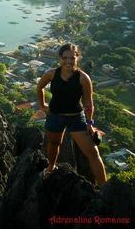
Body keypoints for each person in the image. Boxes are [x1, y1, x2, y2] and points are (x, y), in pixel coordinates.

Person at [37, 43, 107, 185]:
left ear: (77, 59)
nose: (68, 61)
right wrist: (43, 106)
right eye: (65, 58)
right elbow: (39, 87)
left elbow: (88, 103)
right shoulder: (51, 74)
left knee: (93, 153)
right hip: (55, 116)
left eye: (72, 58)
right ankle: (51, 168)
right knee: (54, 144)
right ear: (59, 58)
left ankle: (105, 189)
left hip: (76, 118)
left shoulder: (83, 78)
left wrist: (90, 123)